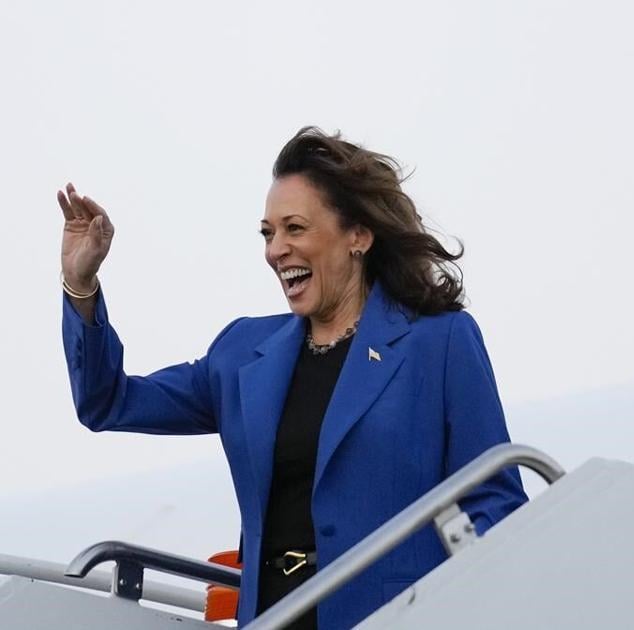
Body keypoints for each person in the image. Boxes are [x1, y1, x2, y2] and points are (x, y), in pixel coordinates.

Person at [58, 127, 527, 629]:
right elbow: (107, 403)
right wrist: (80, 285)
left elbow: (495, 500)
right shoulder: (241, 355)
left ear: (358, 236)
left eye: (295, 229)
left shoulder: (440, 342)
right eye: (267, 233)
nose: (275, 250)